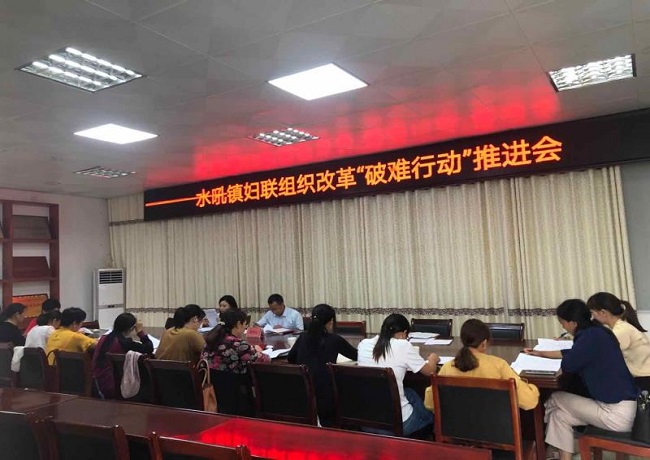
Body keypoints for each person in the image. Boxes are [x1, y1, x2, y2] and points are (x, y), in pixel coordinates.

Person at [525, 299, 638, 460]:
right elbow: (573, 353)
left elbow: (569, 364)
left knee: (553, 399)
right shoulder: (597, 332)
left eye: (563, 323)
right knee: (558, 415)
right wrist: (541, 353)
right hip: (625, 409)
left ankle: (541, 447)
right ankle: (561, 455)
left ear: (573, 322)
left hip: (615, 414)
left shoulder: (588, 338)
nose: (563, 327)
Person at [424, 319, 539, 410]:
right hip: (496, 430)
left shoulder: (448, 367)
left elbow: (429, 403)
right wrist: (532, 387)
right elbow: (529, 401)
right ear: (484, 343)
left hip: (456, 430)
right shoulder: (498, 365)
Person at [357, 313, 438, 436]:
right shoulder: (402, 345)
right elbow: (430, 371)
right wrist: (433, 359)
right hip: (398, 425)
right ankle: (433, 423)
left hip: (366, 423)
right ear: (403, 333)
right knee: (428, 416)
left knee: (409, 392)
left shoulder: (364, 344)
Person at [287, 304, 358, 426]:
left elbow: (291, 358)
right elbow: (356, 356)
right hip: (326, 397)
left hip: (303, 394)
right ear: (330, 322)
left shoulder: (303, 337)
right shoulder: (335, 339)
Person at [587, 292, 650, 387]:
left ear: (603, 312)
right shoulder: (622, 326)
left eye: (592, 313)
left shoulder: (621, 331)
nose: (592, 317)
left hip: (643, 379)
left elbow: (603, 355)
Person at [92, 313, 154, 399]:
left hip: (96, 381)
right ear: (131, 328)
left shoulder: (104, 338)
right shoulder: (124, 342)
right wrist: (140, 332)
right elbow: (149, 347)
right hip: (112, 385)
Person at [202, 308, 269, 373]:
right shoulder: (239, 345)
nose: (245, 327)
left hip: (211, 379)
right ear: (238, 324)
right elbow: (265, 360)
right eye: (245, 324)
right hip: (235, 380)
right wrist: (258, 350)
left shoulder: (210, 339)